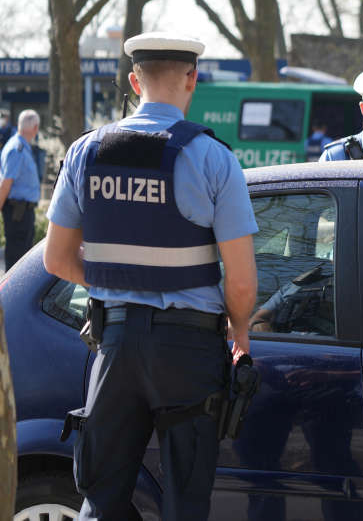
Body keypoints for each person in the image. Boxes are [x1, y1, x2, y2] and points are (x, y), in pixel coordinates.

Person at [43, 32, 259, 521]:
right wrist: (240, 331)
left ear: (134, 81)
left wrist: (111, 287)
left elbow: (56, 259)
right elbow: (242, 283)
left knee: (100, 500)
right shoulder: (213, 158)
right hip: (190, 354)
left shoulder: (84, 153)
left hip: (113, 345)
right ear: (192, 79)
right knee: (186, 502)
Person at [0, 109, 41, 269]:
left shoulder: (21, 146)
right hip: (18, 213)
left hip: (22, 212)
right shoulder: (16, 149)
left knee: (21, 258)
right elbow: (6, 183)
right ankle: (10, 294)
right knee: (17, 261)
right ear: (35, 128)